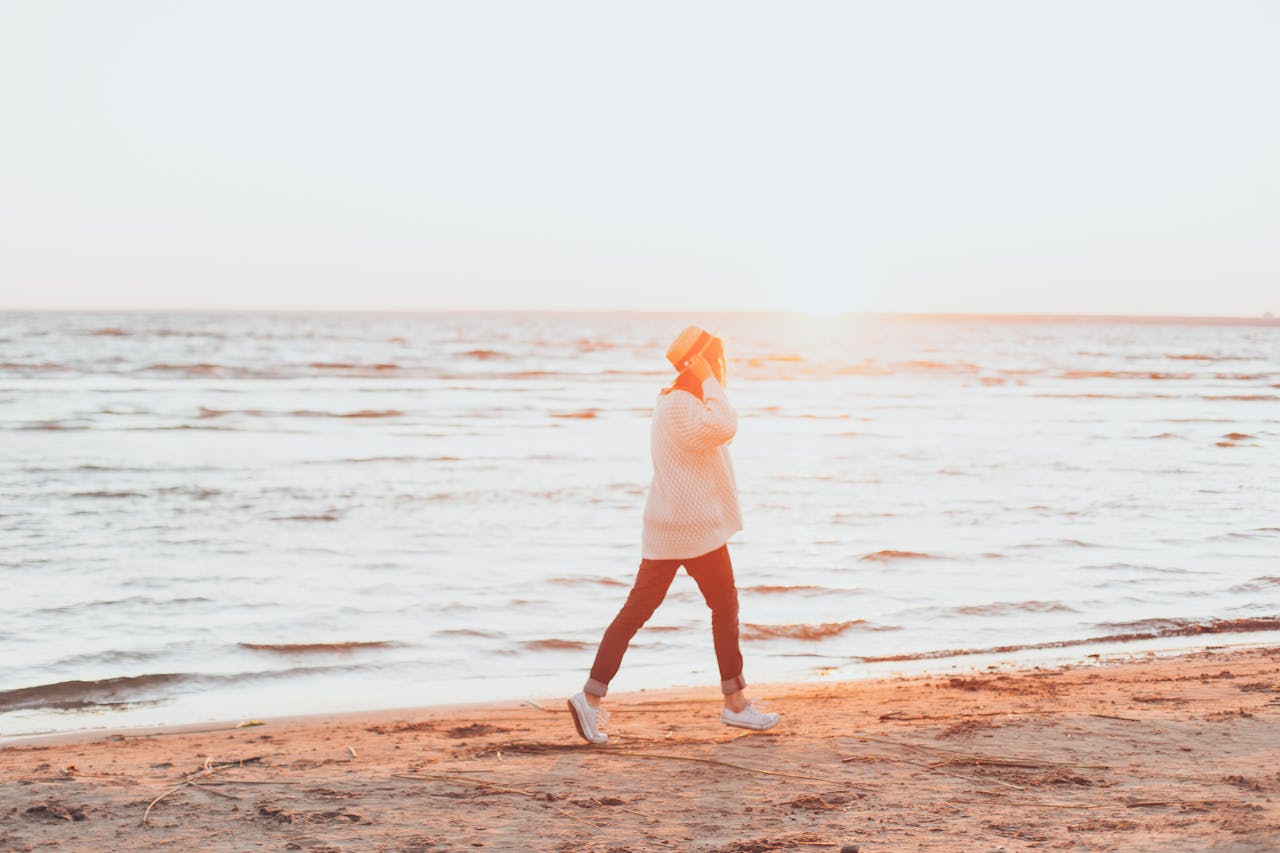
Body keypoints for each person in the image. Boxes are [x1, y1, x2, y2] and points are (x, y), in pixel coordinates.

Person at [567, 325, 780, 744]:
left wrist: (705, 380)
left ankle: (590, 698)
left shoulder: (672, 400)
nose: (722, 368)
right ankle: (735, 704)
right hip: (694, 529)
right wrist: (709, 377)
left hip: (670, 529)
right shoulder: (684, 403)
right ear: (701, 362)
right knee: (724, 608)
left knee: (636, 613)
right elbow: (724, 425)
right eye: (717, 360)